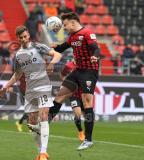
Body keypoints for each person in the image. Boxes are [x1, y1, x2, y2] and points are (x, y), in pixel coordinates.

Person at [0, 25, 62, 160]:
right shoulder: (19, 55)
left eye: (25, 36)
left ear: (28, 35)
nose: (24, 39)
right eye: (21, 37)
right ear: (18, 39)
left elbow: (57, 54)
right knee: (32, 124)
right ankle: (40, 152)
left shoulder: (38, 47)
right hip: (30, 90)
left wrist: (52, 63)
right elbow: (17, 74)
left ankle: (44, 153)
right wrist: (6, 86)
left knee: (44, 115)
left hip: (43, 85)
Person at [48, 12, 100, 150]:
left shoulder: (87, 33)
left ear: (73, 22)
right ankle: (44, 124)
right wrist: (54, 46)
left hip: (89, 71)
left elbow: (96, 48)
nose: (64, 28)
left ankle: (88, 140)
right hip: (77, 71)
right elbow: (62, 47)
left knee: (87, 102)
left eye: (65, 25)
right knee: (60, 95)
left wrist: (95, 56)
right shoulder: (72, 37)